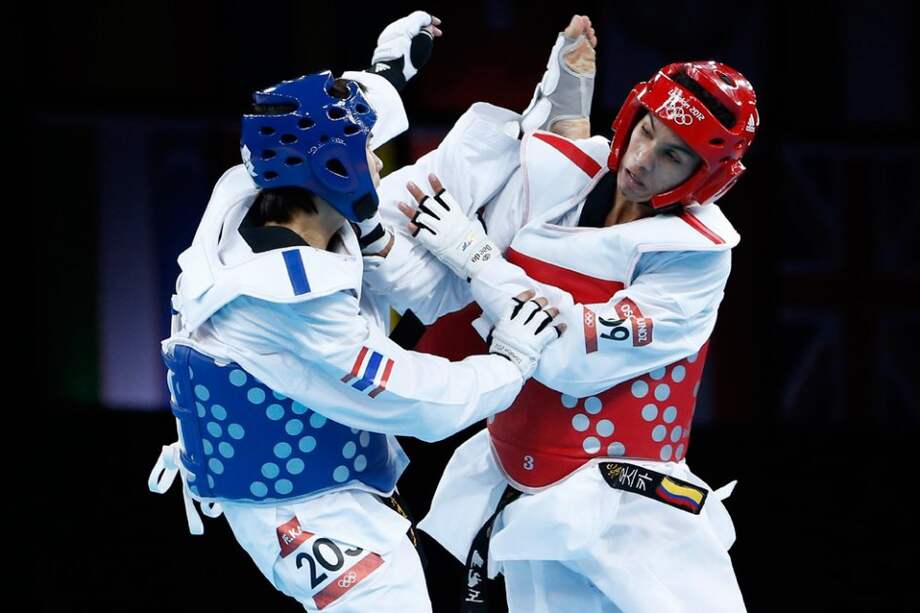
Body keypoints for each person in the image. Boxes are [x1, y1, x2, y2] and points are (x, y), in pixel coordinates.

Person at [146, 11, 563, 612]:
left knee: (405, 207)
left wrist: (387, 70)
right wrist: (510, 361)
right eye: (368, 150)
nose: (378, 160)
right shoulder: (292, 301)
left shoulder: (252, 186)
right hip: (295, 508)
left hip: (313, 466)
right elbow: (416, 401)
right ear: (333, 170)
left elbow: (319, 126)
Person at [362, 14, 758, 612]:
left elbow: (569, 357)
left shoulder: (694, 257)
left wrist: (473, 255)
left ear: (709, 179)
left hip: (637, 512)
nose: (644, 160)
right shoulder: (579, 173)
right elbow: (560, 165)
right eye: (646, 131)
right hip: (527, 487)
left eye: (673, 156)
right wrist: (569, 90)